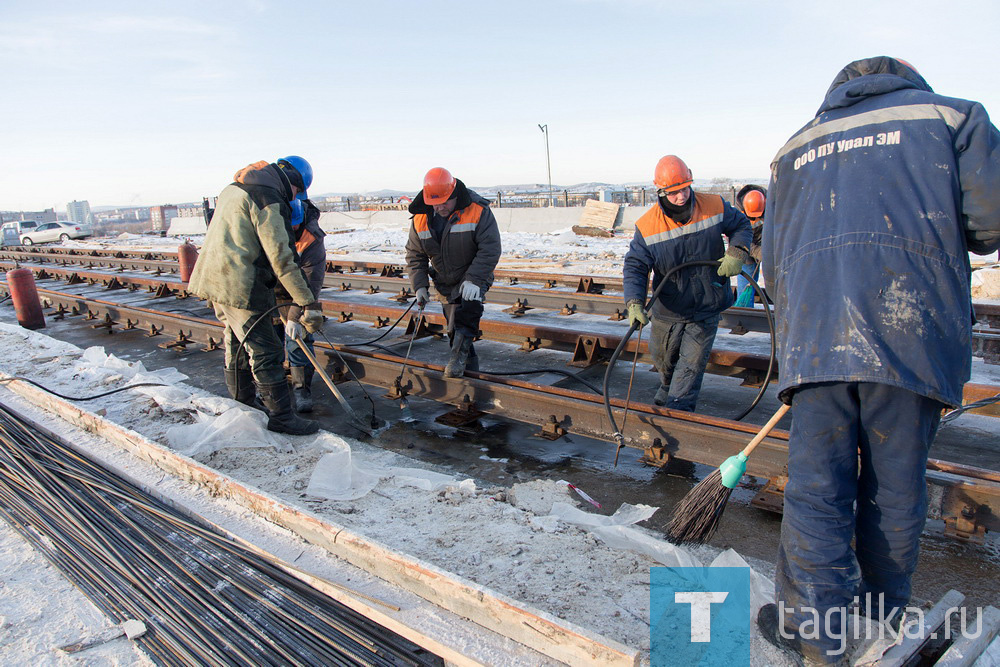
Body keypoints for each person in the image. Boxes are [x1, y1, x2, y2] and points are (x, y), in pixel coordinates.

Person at [758, 57, 1000, 665]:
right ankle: (881, 621)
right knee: (894, 490)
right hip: (909, 327)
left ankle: (819, 636)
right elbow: (989, 221)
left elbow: (770, 264)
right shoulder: (951, 115)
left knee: (817, 489)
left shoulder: (794, 147)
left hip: (814, 338)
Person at [189, 156, 324, 435]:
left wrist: (294, 311)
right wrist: (308, 304)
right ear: (294, 185)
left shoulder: (234, 189)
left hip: (216, 279)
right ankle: (282, 417)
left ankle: (244, 405)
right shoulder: (268, 199)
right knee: (267, 351)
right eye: (298, 192)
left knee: (235, 342)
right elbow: (282, 258)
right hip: (240, 283)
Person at [623, 155, 753, 411]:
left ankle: (677, 417)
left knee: (690, 368)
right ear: (661, 192)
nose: (681, 197)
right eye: (673, 193)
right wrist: (634, 302)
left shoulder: (714, 205)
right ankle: (667, 394)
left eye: (684, 189)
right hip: (668, 309)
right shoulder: (648, 226)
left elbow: (741, 225)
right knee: (664, 363)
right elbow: (635, 266)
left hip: (706, 304)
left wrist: (737, 251)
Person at [405, 167, 501, 377]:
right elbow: (415, 254)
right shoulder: (421, 218)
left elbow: (490, 248)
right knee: (453, 329)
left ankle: (458, 362)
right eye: (435, 203)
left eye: (445, 202)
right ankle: (468, 373)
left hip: (474, 275)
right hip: (445, 281)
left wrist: (474, 280)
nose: (439, 207)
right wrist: (419, 285)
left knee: (467, 313)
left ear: (454, 193)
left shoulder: (478, 211)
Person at [278, 193, 327, 412]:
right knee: (269, 342)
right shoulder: (271, 229)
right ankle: (273, 387)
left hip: (300, 295)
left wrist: (294, 316)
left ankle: (301, 389)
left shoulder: (312, 238)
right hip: (271, 291)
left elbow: (310, 282)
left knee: (299, 339)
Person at [733, 185, 766, 307]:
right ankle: (745, 309)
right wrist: (757, 251)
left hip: (766, 242)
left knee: (772, 276)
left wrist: (767, 248)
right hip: (746, 244)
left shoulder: (772, 206)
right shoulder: (736, 213)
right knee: (747, 278)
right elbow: (736, 237)